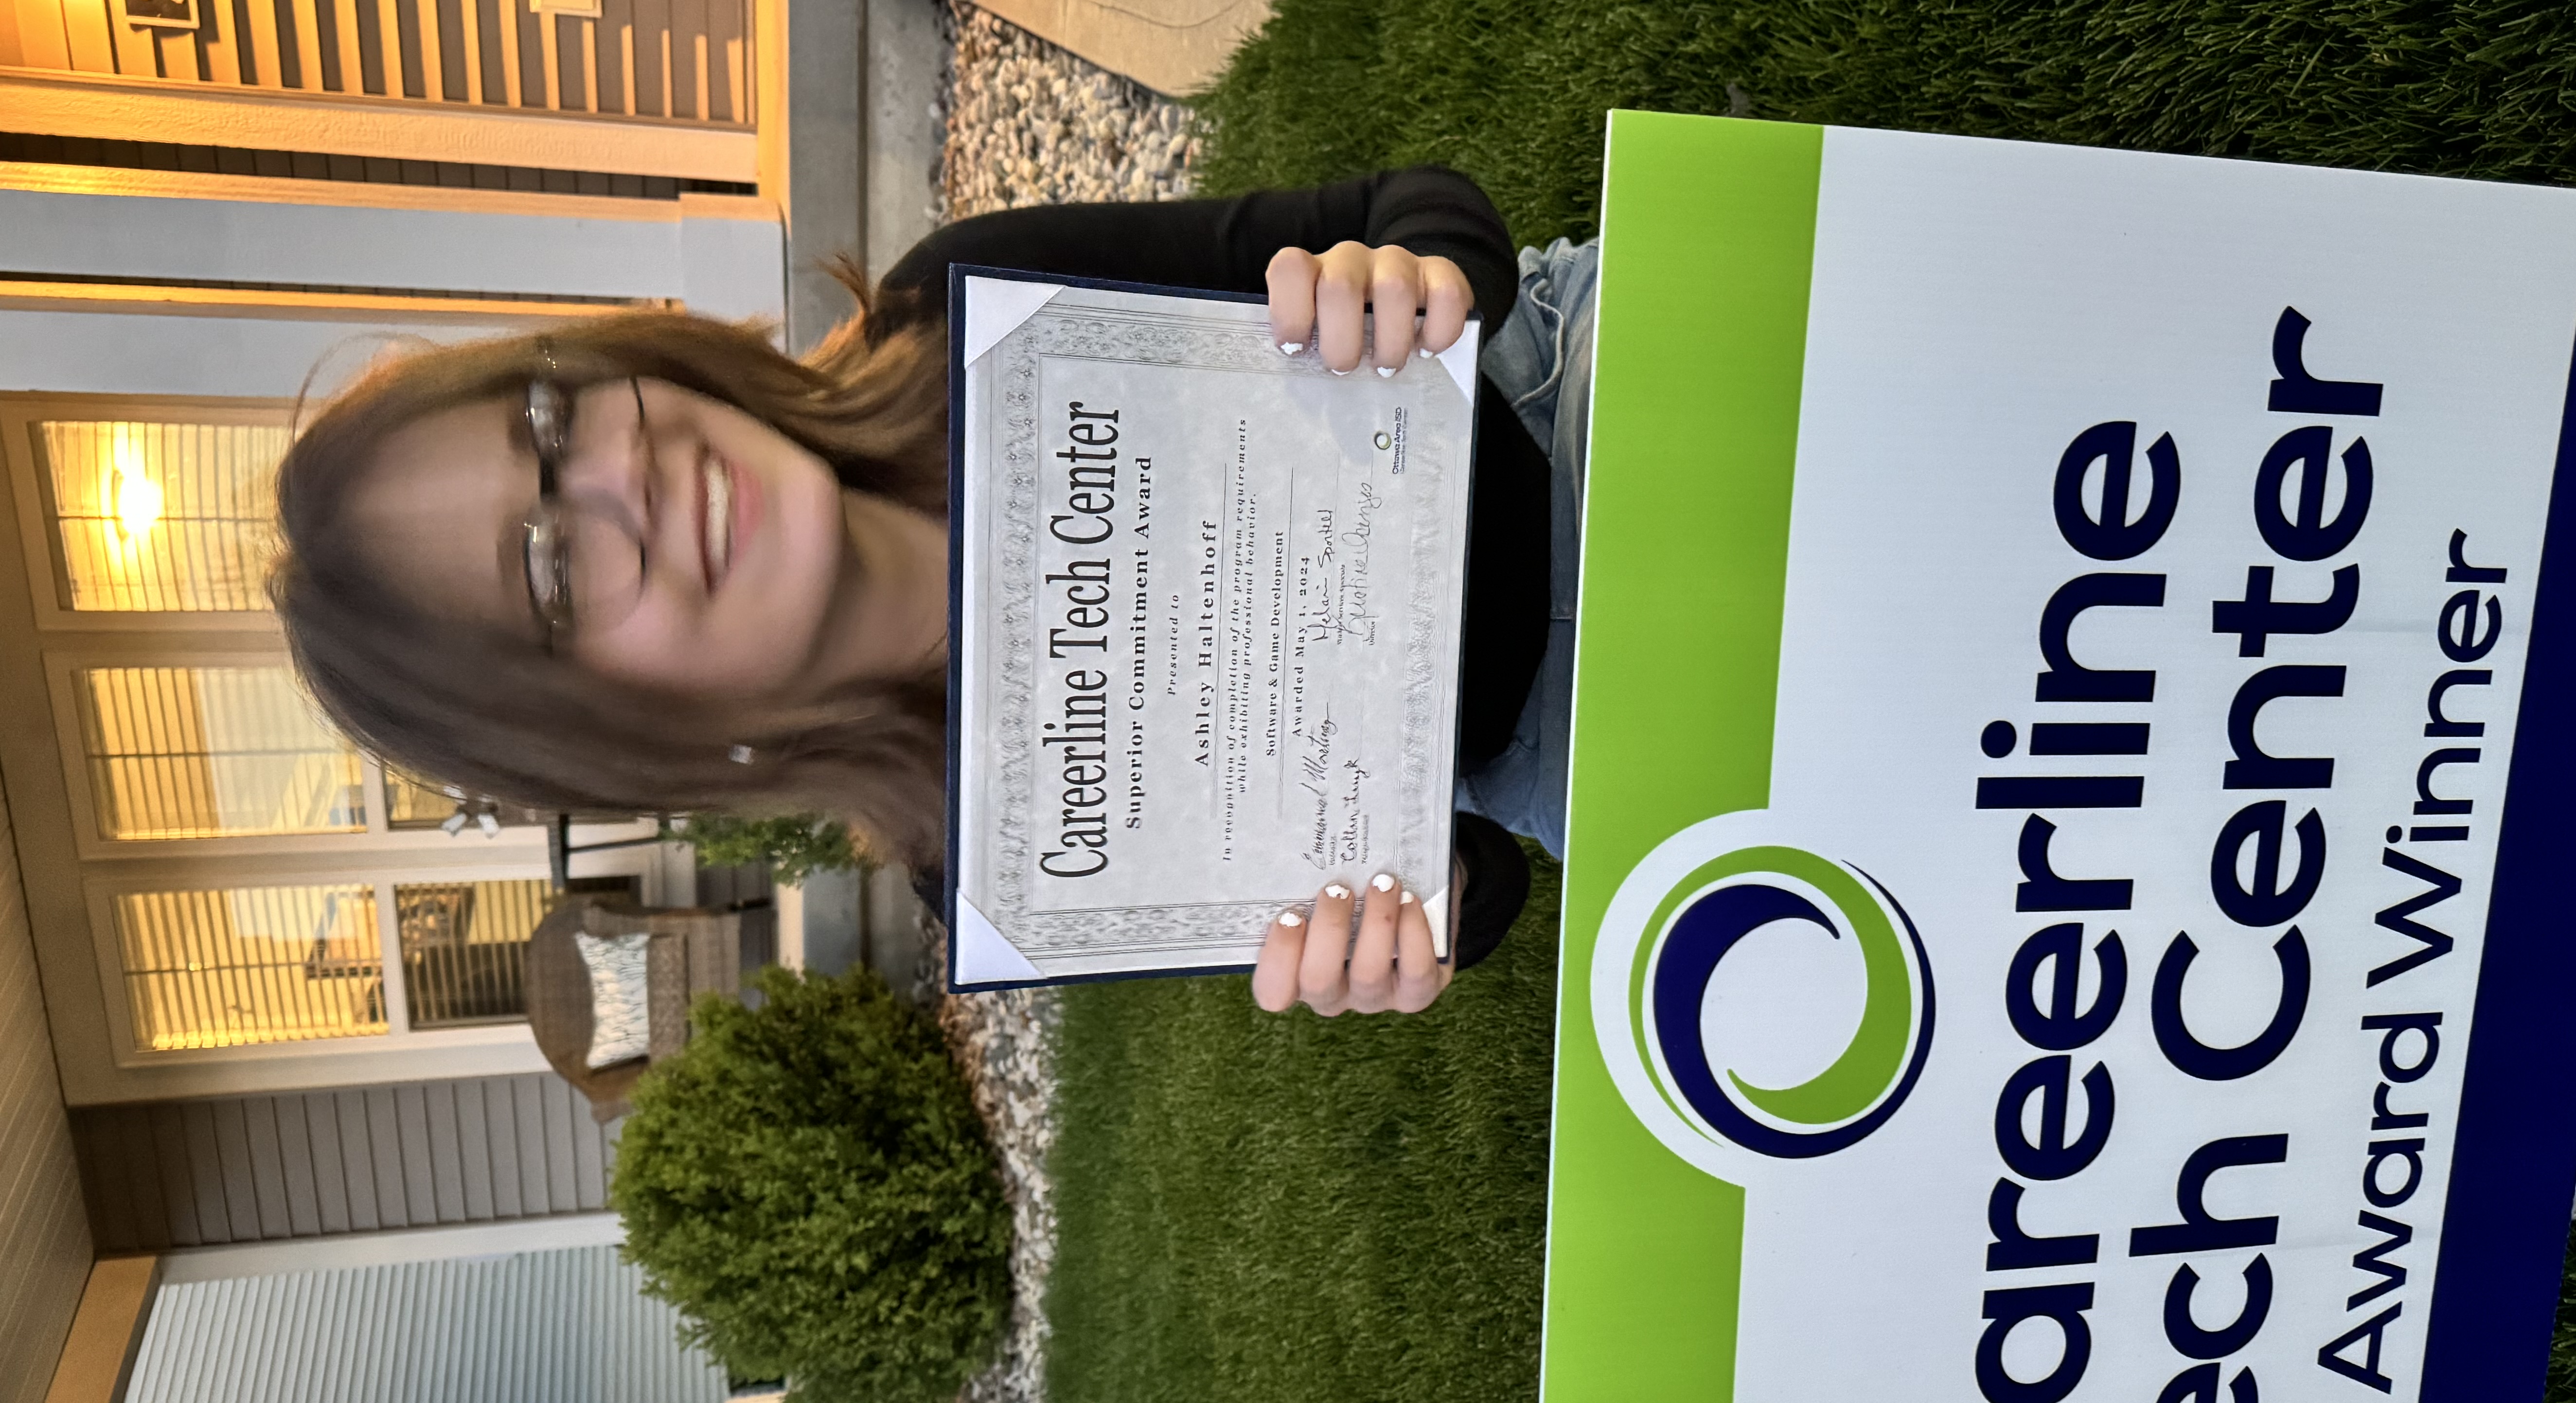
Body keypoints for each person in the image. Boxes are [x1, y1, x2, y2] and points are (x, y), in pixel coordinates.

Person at [273, 168, 1598, 1018]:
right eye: (555, 570)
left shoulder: (960, 313)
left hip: (1552, 391)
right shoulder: (993, 861)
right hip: (1562, 740)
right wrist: (1400, 933)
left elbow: (1420, 206)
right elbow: (1485, 882)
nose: (634, 483)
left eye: (552, 419)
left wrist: (1416, 286)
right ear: (610, 731)